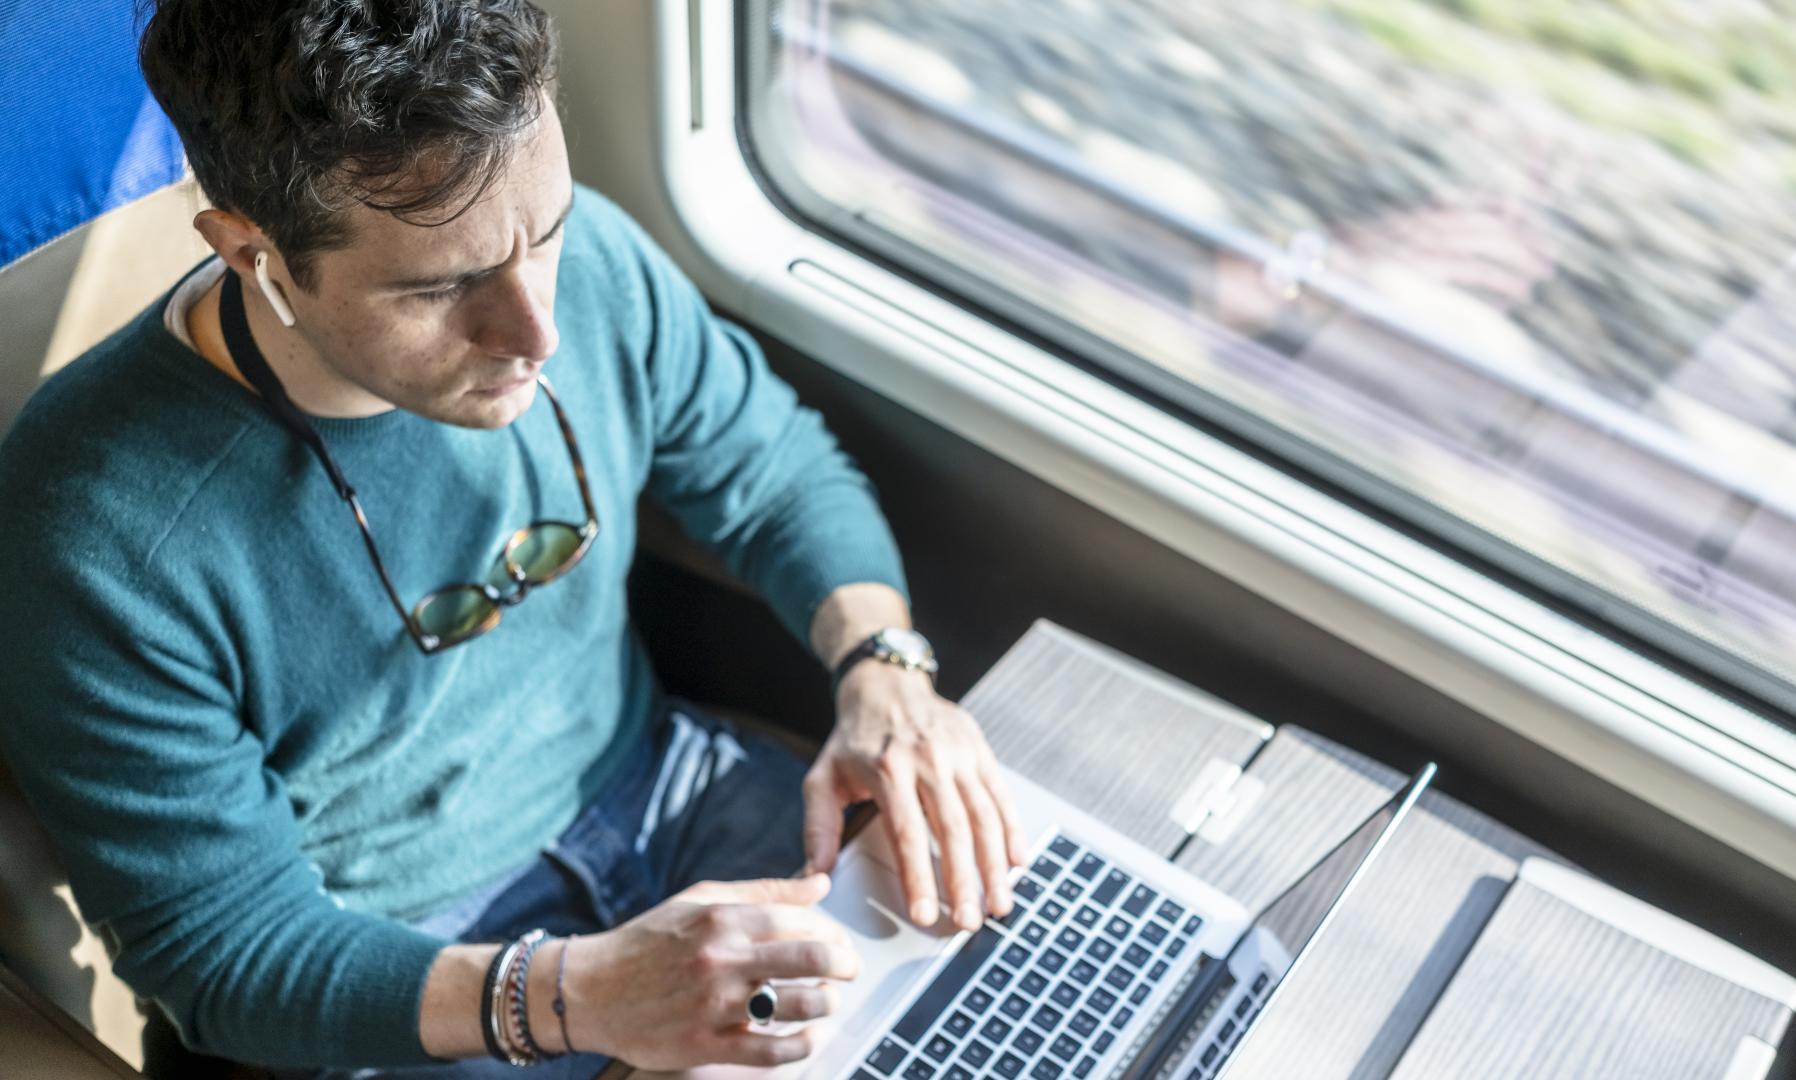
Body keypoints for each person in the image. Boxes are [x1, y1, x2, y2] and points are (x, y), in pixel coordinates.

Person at [0, 0, 1028, 1074]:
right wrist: (579, 993)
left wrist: (883, 669)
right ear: (251, 251)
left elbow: (769, 469)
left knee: (991, 971)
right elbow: (222, 953)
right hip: (395, 965)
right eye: (441, 287)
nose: (535, 329)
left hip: (662, 797)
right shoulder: (98, 530)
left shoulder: (589, 275)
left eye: (548, 229)